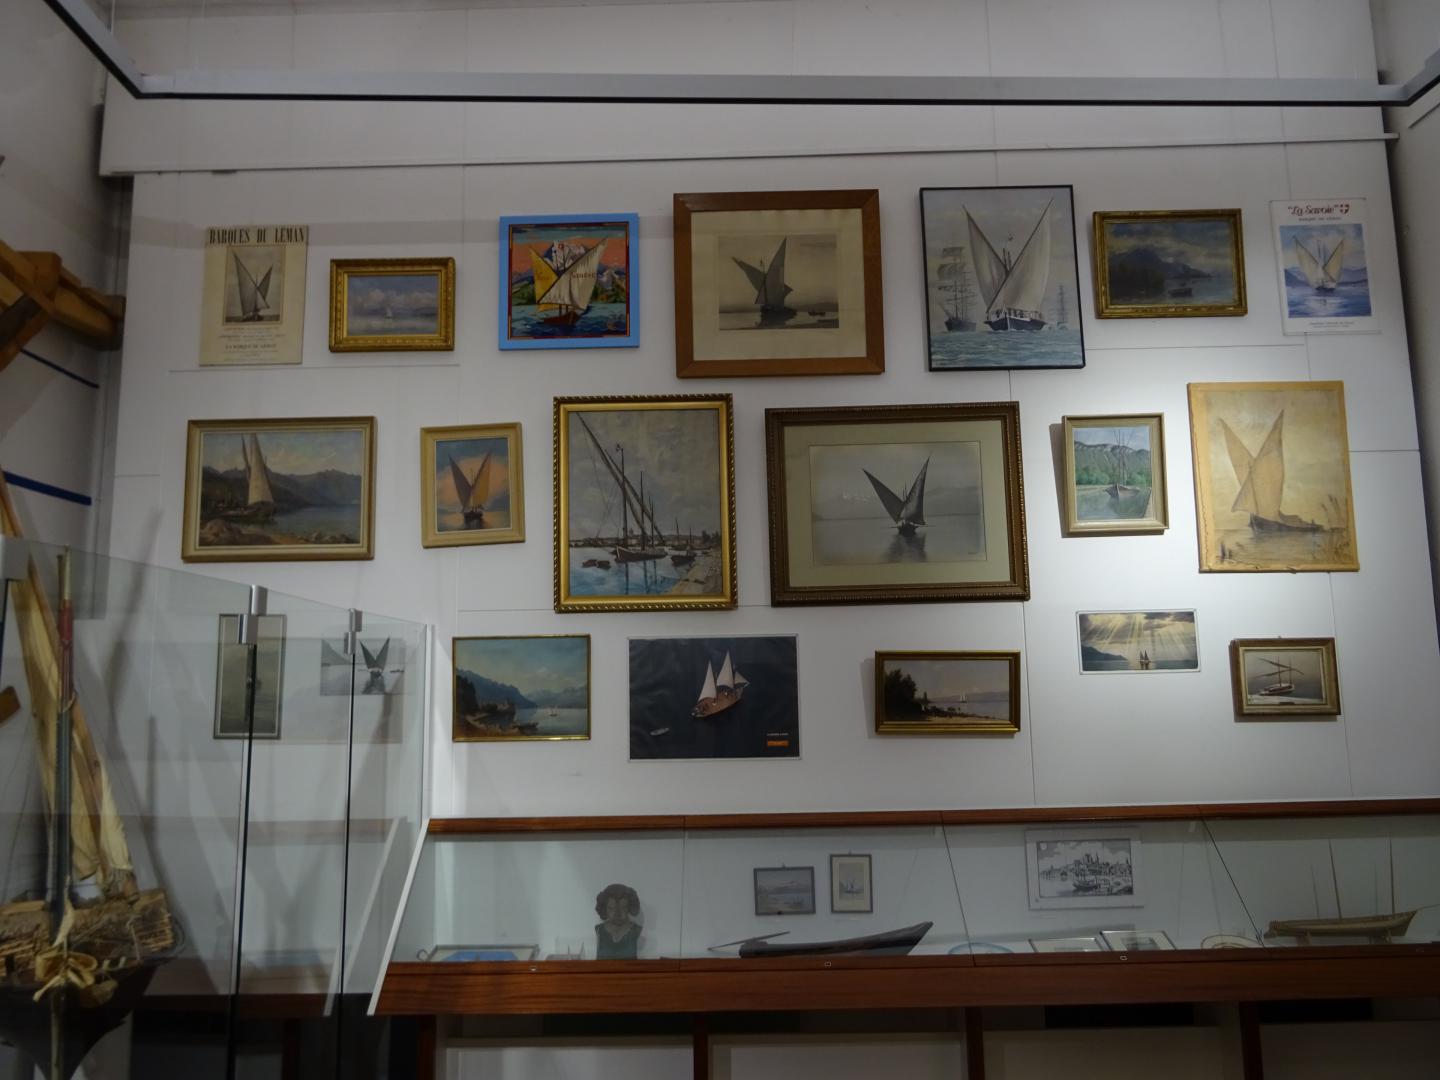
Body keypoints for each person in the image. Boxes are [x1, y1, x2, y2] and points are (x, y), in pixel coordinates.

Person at [594, 883, 642, 960]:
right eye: (611, 908)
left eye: (623, 907)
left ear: (629, 907)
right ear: (604, 908)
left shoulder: (636, 930)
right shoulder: (599, 930)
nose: (617, 914)